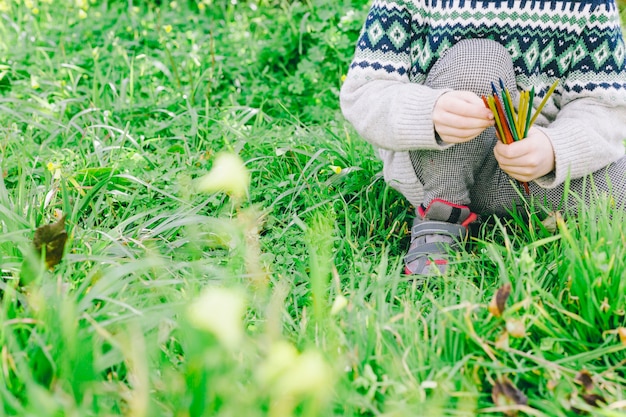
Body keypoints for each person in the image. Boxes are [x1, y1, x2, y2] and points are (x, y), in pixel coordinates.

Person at [340, 0, 626, 275]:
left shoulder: (590, 5)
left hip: (528, 177)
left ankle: (515, 213)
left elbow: (602, 105)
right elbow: (364, 93)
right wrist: (430, 111)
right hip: (433, 167)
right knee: (480, 60)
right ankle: (442, 219)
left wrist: (554, 149)